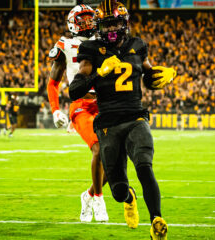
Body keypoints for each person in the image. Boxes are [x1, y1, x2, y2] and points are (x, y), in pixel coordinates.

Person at [69, 0, 176, 239]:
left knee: (144, 165)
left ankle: (156, 220)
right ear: (99, 27)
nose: (111, 29)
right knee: (117, 191)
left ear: (124, 23)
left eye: (116, 23)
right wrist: (99, 72)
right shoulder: (90, 50)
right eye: (107, 25)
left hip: (135, 115)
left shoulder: (137, 45)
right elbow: (74, 91)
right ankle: (130, 197)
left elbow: (147, 76)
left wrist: (161, 75)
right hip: (107, 123)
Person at [47, 3, 109, 222]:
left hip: (105, 104)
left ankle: (89, 194)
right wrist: (55, 111)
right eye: (83, 19)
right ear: (73, 23)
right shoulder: (65, 44)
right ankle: (99, 200)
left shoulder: (103, 42)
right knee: (99, 149)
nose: (88, 23)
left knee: (113, 161)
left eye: (90, 18)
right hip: (81, 105)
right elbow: (53, 82)